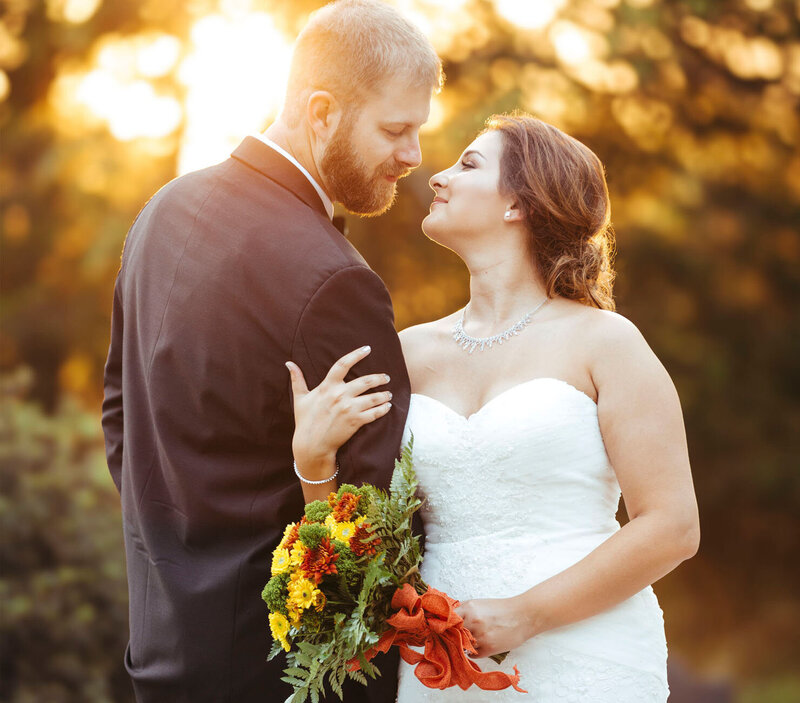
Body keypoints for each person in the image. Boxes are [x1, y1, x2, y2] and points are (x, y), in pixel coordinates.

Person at [287, 113, 700, 701]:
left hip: (588, 658)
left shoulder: (607, 342)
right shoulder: (406, 352)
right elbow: (363, 540)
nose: (437, 175)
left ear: (519, 205)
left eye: (469, 164)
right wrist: (313, 461)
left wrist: (525, 614)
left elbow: (673, 526)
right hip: (441, 666)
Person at [100, 1, 442, 701]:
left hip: (162, 652)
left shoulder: (162, 209)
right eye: (395, 129)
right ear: (322, 113)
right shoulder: (336, 280)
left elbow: (118, 416)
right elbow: (372, 517)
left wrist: (174, 555)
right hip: (277, 673)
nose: (412, 156)